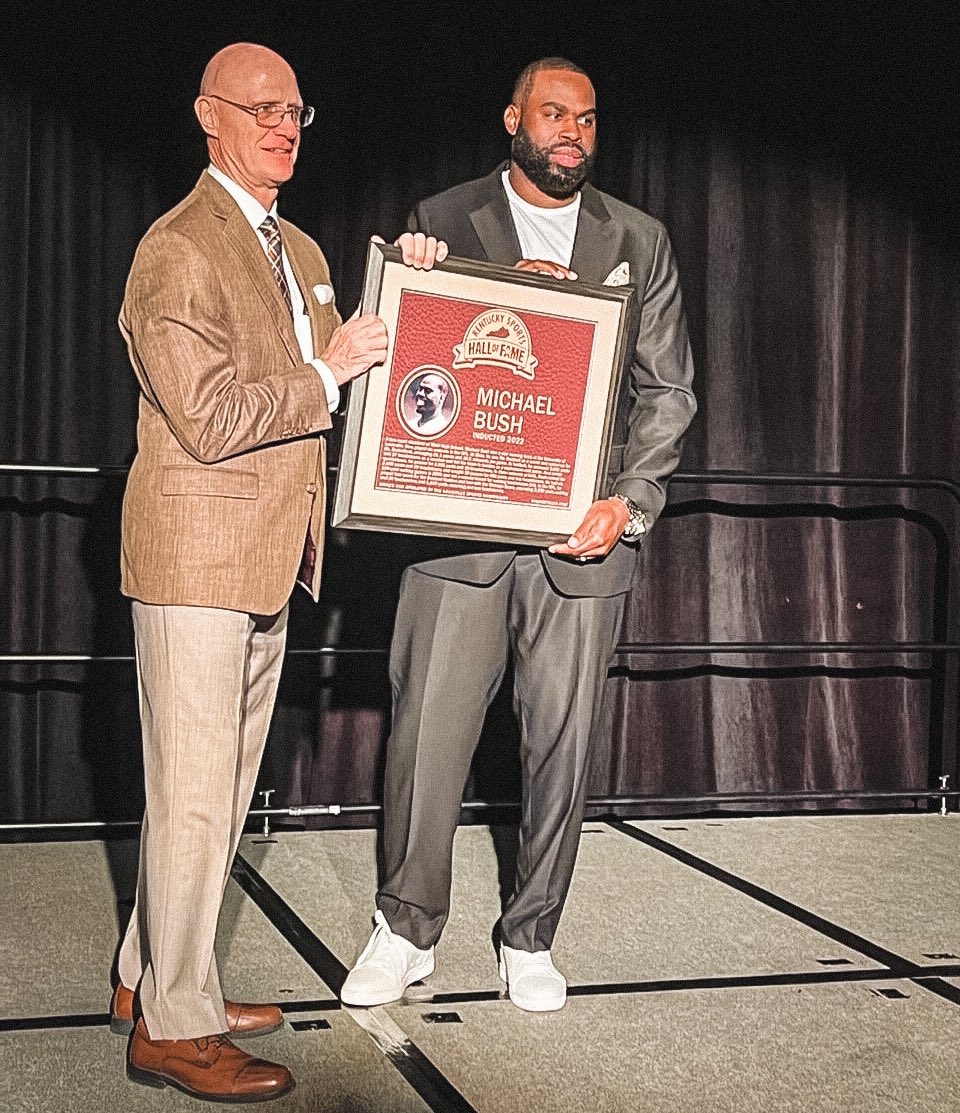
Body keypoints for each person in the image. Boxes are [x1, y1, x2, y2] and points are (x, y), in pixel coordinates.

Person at [112, 42, 444, 1102]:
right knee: (195, 800)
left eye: (297, 108)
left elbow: (353, 368)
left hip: (268, 561)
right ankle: (173, 1030)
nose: (284, 124)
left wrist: (421, 293)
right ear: (208, 116)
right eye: (260, 107)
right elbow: (211, 419)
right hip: (197, 559)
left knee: (210, 796)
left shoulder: (295, 246)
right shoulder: (176, 247)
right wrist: (330, 367)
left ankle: (152, 980)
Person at [341, 57, 696, 1014]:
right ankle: (404, 929)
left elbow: (668, 393)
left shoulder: (641, 238)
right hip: (457, 534)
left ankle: (531, 935)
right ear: (513, 119)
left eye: (586, 117)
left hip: (583, 541)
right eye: (553, 114)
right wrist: (407, 281)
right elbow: (403, 366)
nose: (571, 131)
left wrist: (629, 501)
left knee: (562, 747)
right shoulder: (445, 217)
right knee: (426, 736)